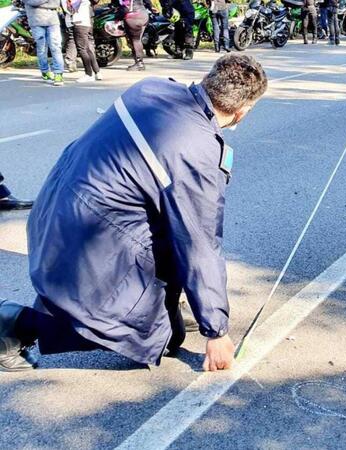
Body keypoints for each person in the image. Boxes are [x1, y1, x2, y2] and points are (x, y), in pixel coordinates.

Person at [0, 54, 269, 372]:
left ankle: (162, 311)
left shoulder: (153, 88)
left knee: (168, 318)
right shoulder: (197, 150)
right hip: (90, 235)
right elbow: (199, 243)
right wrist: (216, 330)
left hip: (57, 207)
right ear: (242, 112)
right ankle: (15, 325)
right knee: (139, 334)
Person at [21, 0, 64, 86]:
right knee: (42, 49)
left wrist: (38, 4)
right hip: (36, 22)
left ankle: (58, 73)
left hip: (52, 21)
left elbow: (56, 3)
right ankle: (45, 72)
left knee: (56, 47)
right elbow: (31, 2)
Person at [62, 0, 102, 81]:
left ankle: (89, 74)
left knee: (82, 49)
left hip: (79, 22)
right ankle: (97, 71)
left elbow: (70, 10)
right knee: (87, 48)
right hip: (83, 22)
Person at [112, 0, 153, 71]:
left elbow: (125, 7)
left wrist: (117, 17)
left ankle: (139, 63)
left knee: (135, 40)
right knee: (138, 40)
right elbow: (148, 2)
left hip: (133, 16)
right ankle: (139, 62)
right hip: (143, 15)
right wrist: (150, 9)